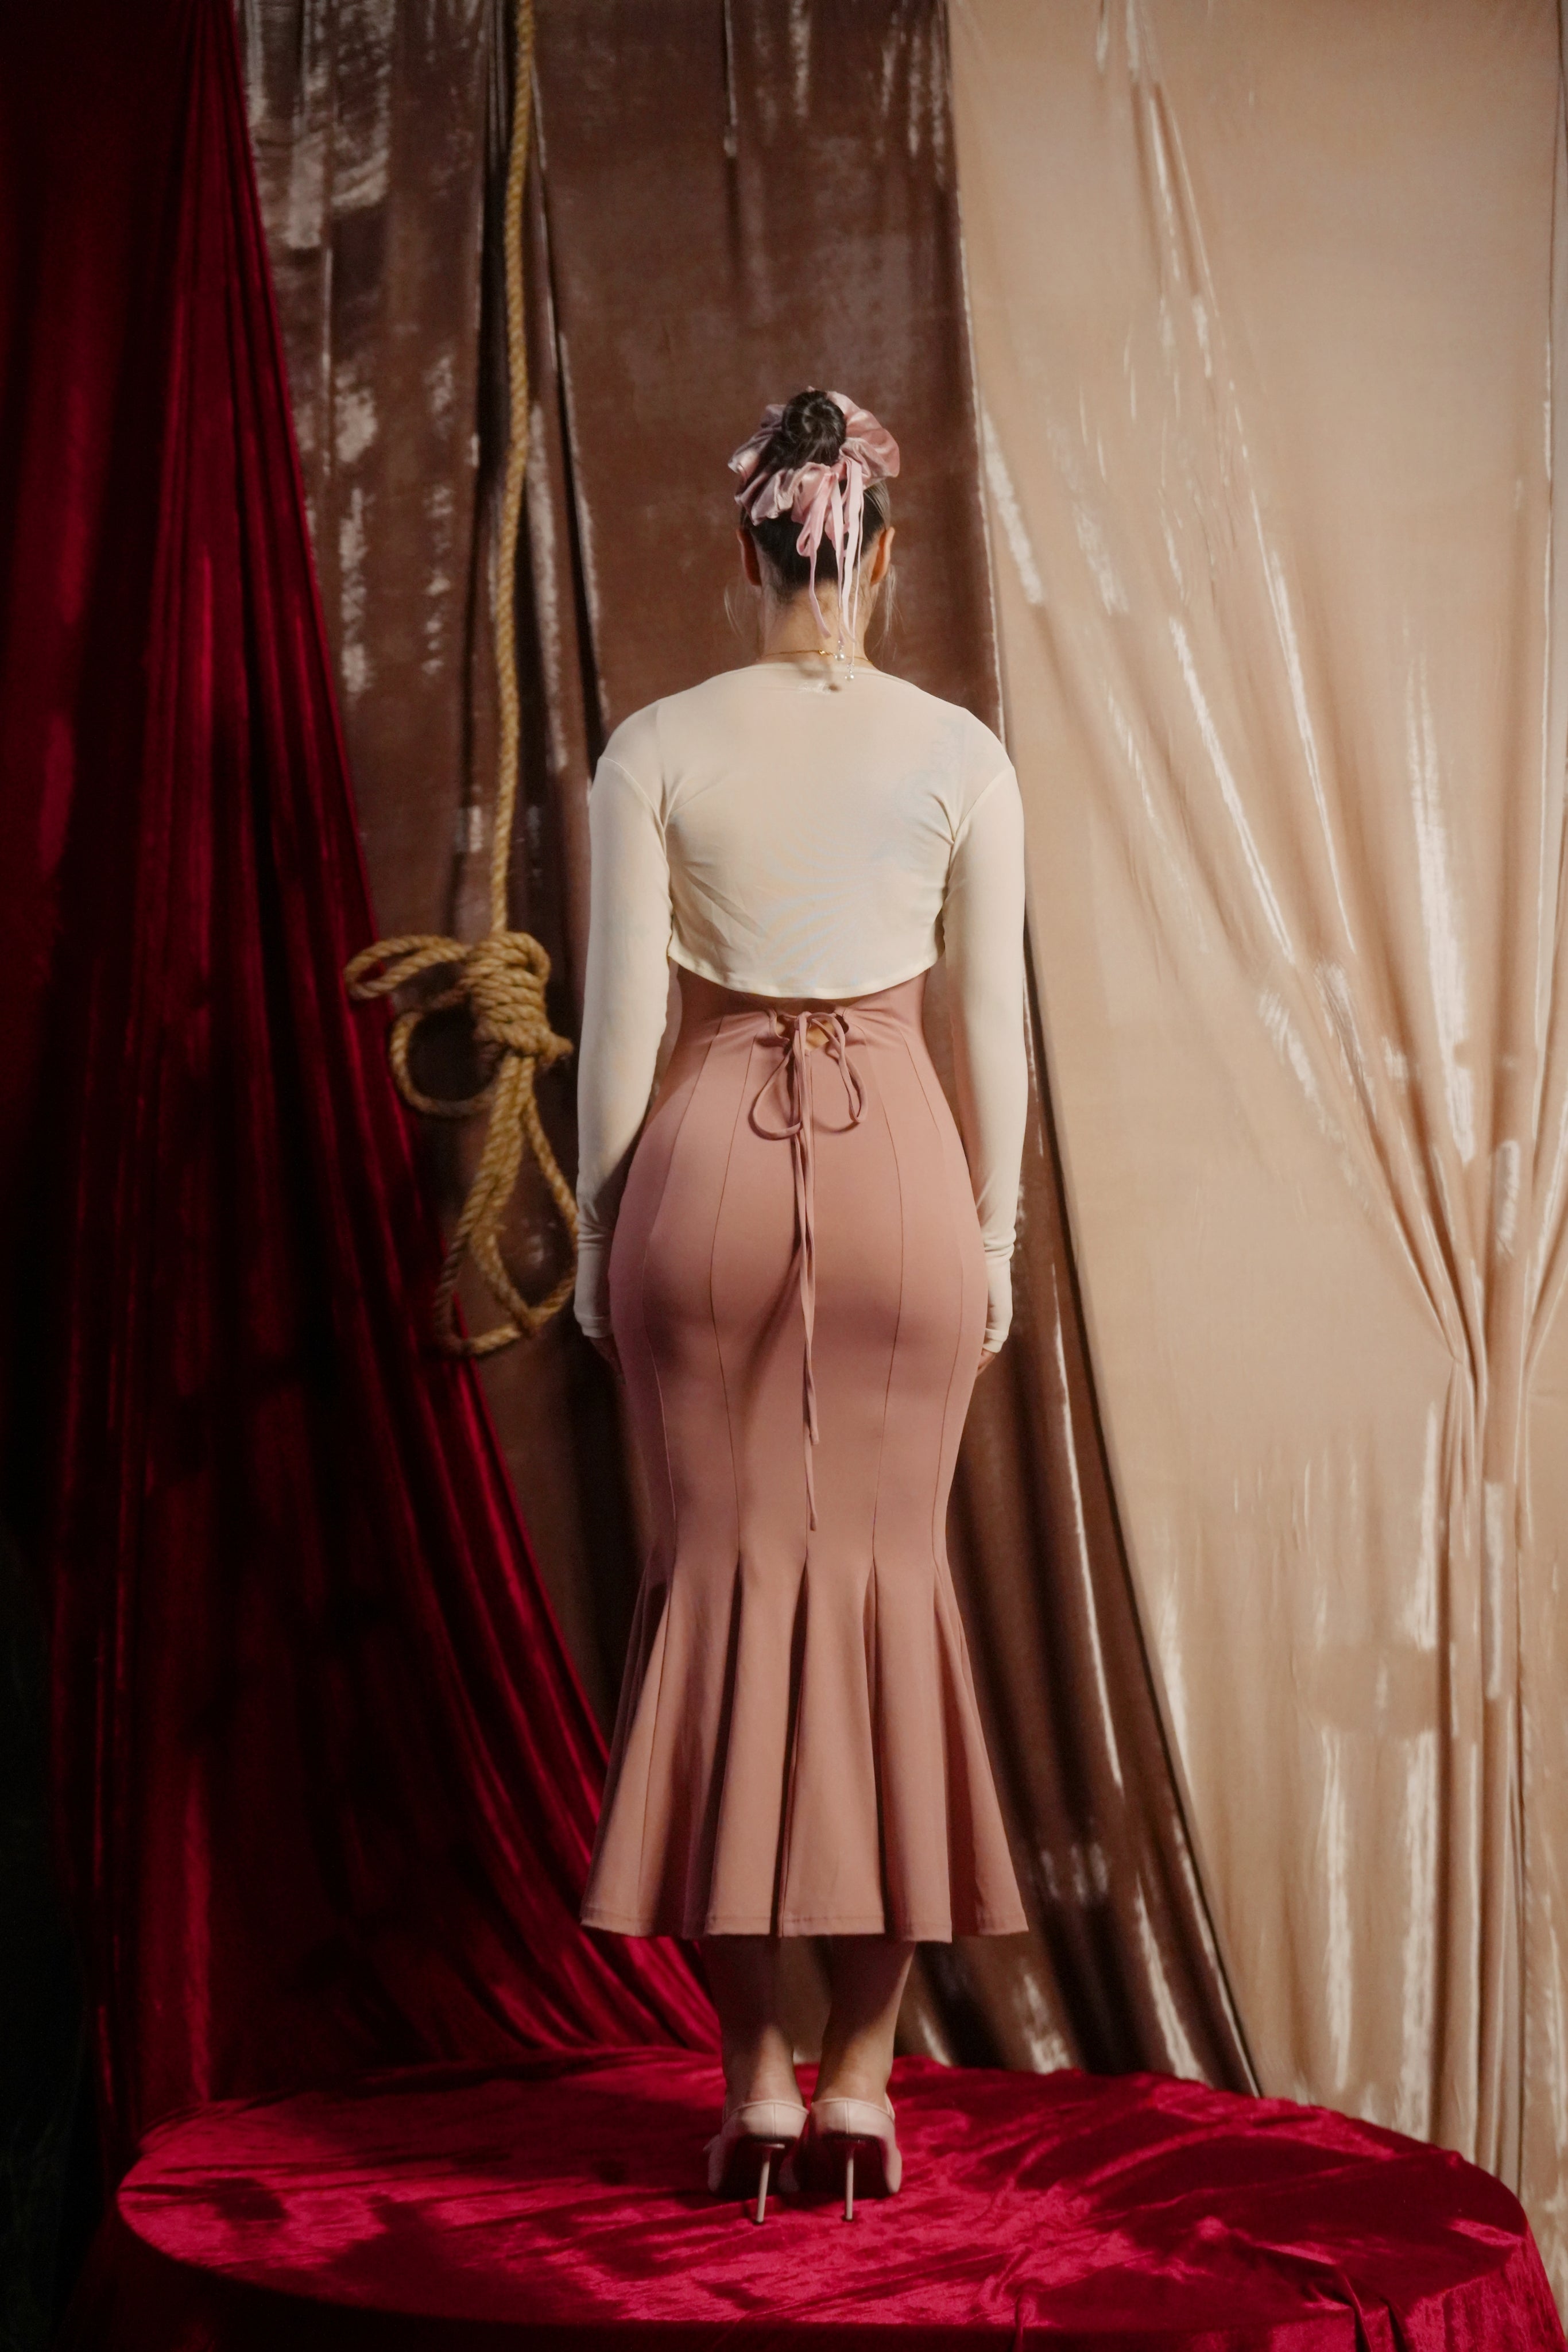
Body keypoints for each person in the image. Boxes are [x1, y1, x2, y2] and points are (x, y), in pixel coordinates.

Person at [573, 388, 1029, 2221]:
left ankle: (755, 2086)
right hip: (905, 1167)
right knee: (889, 1606)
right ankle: (862, 2083)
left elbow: (621, 1035)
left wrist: (602, 1238)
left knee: (715, 1608)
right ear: (878, 553)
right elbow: (991, 1030)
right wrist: (992, 1237)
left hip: (703, 1172)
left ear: (747, 547)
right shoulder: (959, 751)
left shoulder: (654, 745)